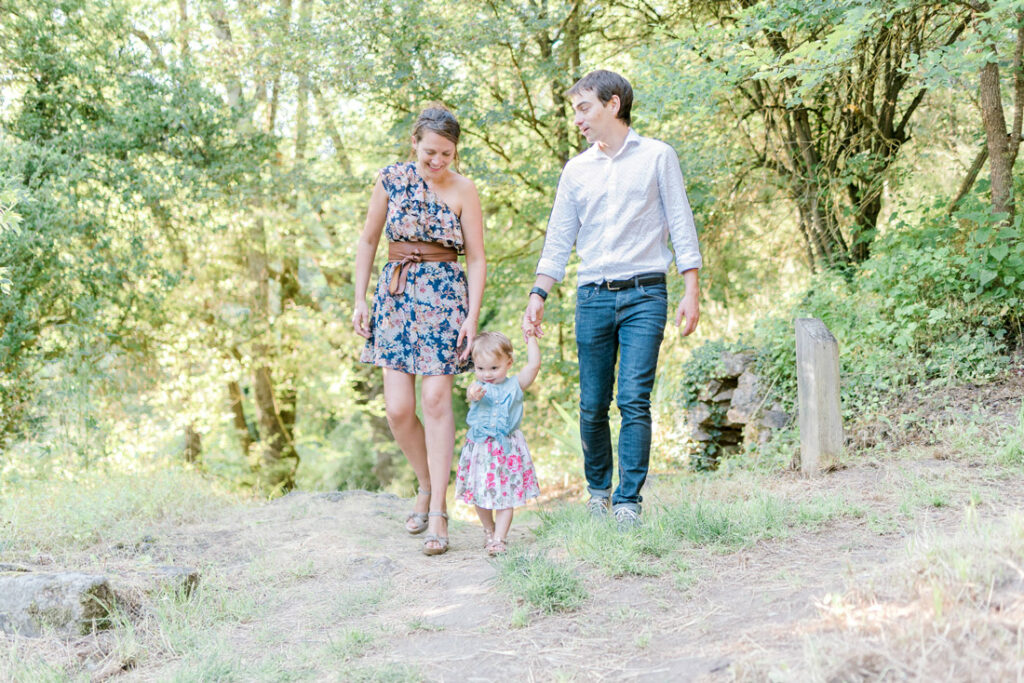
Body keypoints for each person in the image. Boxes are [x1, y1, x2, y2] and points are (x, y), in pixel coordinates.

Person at [522, 70, 702, 530]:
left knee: (634, 400)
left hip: (646, 292)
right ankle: (599, 492)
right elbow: (560, 238)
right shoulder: (576, 170)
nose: (578, 119)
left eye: (584, 108)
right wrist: (538, 293)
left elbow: (681, 223)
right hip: (593, 295)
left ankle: (628, 502)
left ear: (613, 104)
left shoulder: (659, 157)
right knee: (592, 404)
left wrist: (691, 288)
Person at [353, 105, 486, 556]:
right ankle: (426, 484)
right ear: (415, 142)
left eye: (446, 154)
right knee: (396, 408)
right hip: (395, 296)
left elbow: (477, 257)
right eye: (431, 151)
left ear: (455, 152)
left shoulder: (464, 189)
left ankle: (439, 511)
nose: (437, 161)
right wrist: (359, 300)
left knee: (434, 400)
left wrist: (472, 314)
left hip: (446, 299)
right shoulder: (390, 180)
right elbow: (369, 240)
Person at [454, 331, 542, 555]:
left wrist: (531, 338)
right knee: (479, 493)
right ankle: (488, 530)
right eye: (481, 369)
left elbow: (533, 365)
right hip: (482, 448)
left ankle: (500, 539)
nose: (487, 374)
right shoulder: (477, 387)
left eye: (494, 368)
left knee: (506, 496)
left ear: (508, 362)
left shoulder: (515, 385)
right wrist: (473, 393)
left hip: (506, 449)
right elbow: (472, 393)